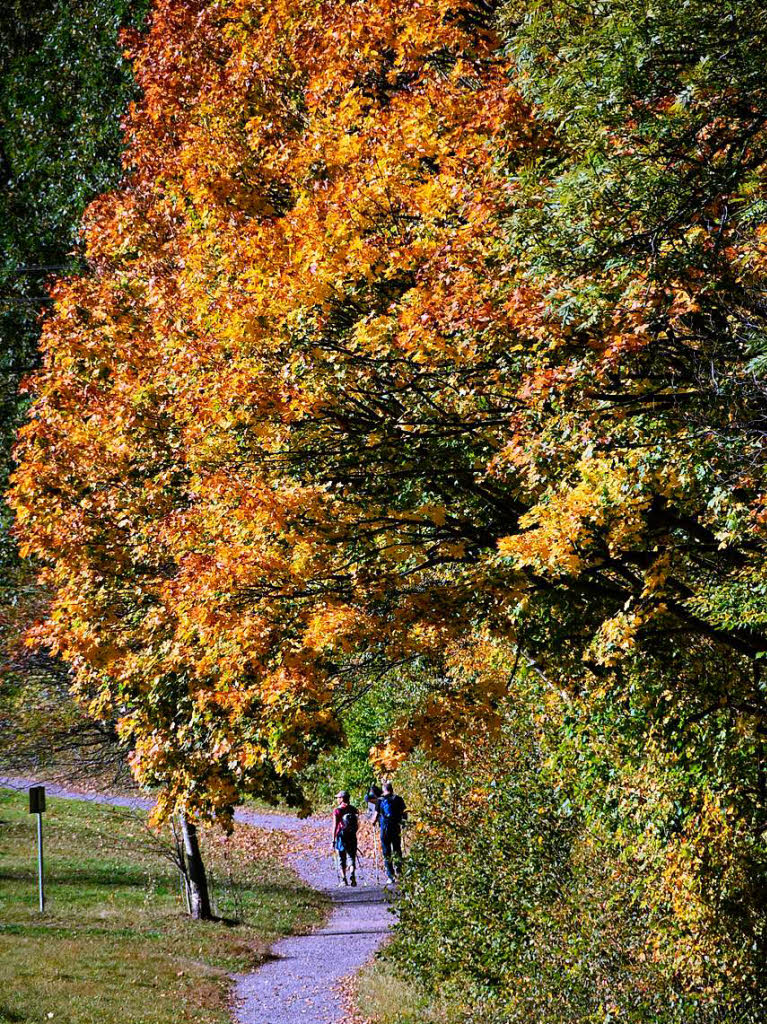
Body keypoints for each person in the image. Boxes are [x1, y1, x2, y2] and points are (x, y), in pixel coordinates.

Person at [373, 781, 406, 883]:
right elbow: (404, 814)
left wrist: (373, 823)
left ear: (384, 790)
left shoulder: (380, 800)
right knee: (397, 849)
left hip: (385, 829)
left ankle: (390, 876)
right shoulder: (398, 799)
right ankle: (399, 872)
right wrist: (403, 823)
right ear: (392, 789)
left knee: (386, 852)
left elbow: (375, 817)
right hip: (396, 828)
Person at [332, 790, 359, 886]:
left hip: (341, 836)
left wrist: (333, 839)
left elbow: (335, 826)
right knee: (351, 856)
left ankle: (343, 879)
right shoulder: (353, 809)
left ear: (342, 798)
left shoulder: (337, 811)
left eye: (338, 798)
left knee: (341, 857)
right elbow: (357, 824)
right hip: (351, 836)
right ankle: (352, 874)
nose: (337, 799)